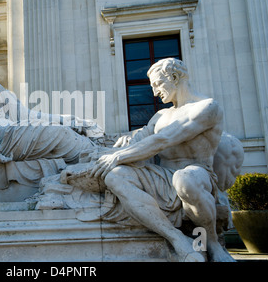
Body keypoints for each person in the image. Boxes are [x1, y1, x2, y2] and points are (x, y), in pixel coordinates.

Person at [87, 58, 235, 262]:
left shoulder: (207, 107)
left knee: (184, 179)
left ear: (174, 77)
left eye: (157, 84)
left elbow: (163, 139)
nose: (155, 92)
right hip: (162, 178)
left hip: (196, 175)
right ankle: (176, 239)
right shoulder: (160, 116)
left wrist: (118, 156)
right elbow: (136, 142)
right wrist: (94, 152)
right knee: (115, 176)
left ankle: (212, 243)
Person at [0, 29, 103, 190]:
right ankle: (98, 160)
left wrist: (68, 119)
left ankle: (96, 155)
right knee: (57, 133)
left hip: (7, 132)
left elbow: (25, 113)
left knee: (60, 129)